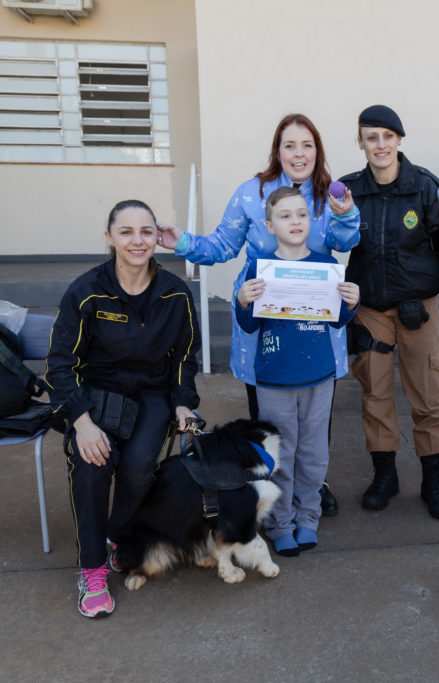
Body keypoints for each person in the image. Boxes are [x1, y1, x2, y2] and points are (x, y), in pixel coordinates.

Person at [157, 113, 359, 515]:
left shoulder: (330, 195)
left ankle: (312, 488)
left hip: (315, 324)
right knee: (270, 418)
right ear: (277, 151)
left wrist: (345, 212)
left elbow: (345, 240)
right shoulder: (252, 193)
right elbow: (221, 246)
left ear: (317, 150)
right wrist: (180, 241)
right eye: (289, 145)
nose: (298, 153)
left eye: (307, 145)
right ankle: (273, 494)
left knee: (316, 424)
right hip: (262, 326)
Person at [46, 199, 200, 618]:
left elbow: (186, 358)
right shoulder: (85, 292)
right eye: (127, 232)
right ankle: (92, 569)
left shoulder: (176, 294)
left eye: (146, 232)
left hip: (151, 394)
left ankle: (117, 537)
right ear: (110, 237)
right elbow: (61, 365)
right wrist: (82, 423)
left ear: (157, 238)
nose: (138, 240)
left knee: (138, 468)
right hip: (95, 395)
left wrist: (184, 404)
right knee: (93, 464)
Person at [340, 105, 439, 520]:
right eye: (372, 137)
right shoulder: (349, 191)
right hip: (369, 311)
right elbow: (326, 241)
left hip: (417, 310)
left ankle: (433, 480)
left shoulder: (424, 187)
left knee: (428, 397)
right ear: (361, 143)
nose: (380, 145)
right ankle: (385, 476)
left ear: (399, 140)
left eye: (388, 136)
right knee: (375, 395)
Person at [234, 186, 359, 555]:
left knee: (314, 453)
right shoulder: (260, 269)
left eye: (302, 214)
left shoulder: (325, 266)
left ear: (311, 221)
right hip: (274, 379)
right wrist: (243, 301)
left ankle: (308, 519)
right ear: (270, 225)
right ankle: (279, 523)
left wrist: (351, 303)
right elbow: (250, 326)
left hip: (319, 376)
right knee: (280, 455)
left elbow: (336, 321)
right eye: (285, 216)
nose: (295, 221)